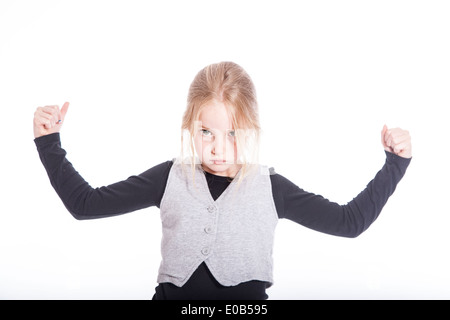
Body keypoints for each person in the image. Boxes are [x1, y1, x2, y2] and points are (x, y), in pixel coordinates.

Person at [33, 61, 412, 300]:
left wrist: (394, 164)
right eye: (206, 131)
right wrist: (48, 141)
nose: (217, 147)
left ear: (251, 129)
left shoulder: (271, 188)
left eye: (232, 133)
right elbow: (84, 204)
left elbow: (349, 222)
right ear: (189, 127)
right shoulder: (169, 177)